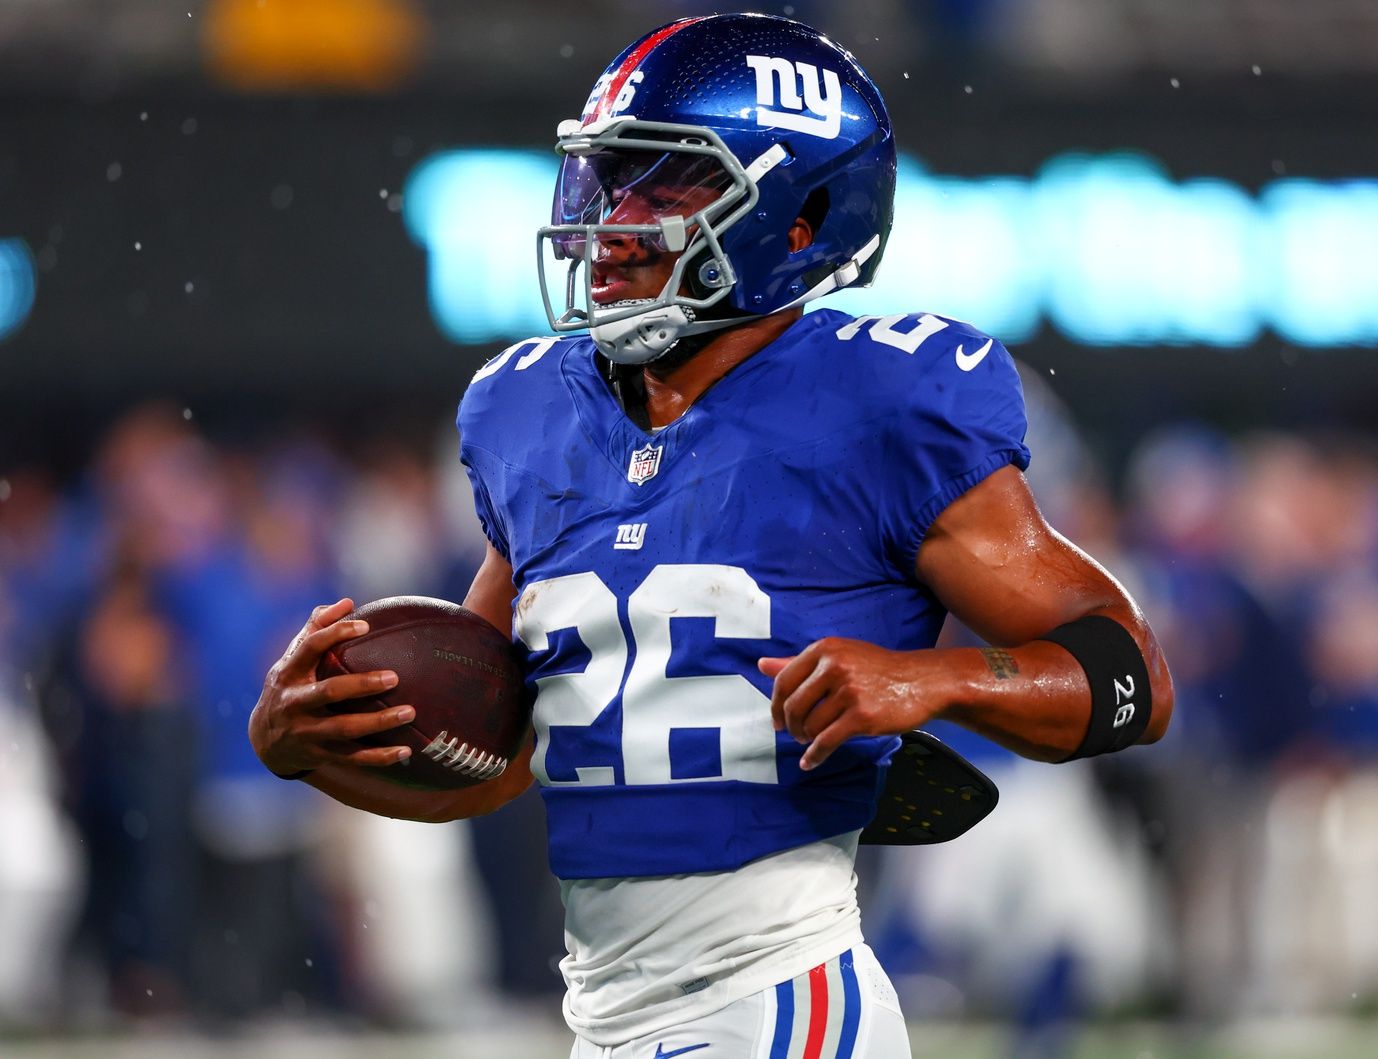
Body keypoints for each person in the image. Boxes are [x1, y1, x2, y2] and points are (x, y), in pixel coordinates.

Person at [249, 13, 1174, 1057]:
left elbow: (1131, 673)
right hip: (604, 1019)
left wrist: (940, 683)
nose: (613, 220)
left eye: (666, 185)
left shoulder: (879, 403)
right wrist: (306, 747)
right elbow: (502, 755)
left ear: (796, 219)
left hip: (777, 1002)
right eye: (607, 180)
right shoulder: (531, 415)